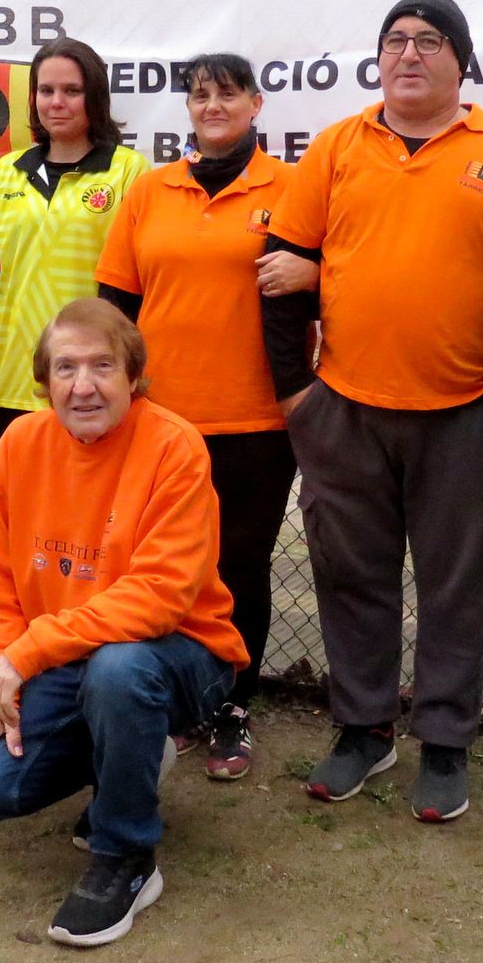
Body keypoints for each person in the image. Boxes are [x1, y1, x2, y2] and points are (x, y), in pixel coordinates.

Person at [260, 0, 483, 822]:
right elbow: (281, 273)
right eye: (395, 41)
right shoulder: (337, 148)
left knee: (458, 583)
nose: (410, 54)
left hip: (468, 411)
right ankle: (363, 728)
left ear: (462, 61)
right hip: (346, 408)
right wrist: (298, 396)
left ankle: (446, 741)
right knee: (351, 577)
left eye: (430, 41)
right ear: (378, 58)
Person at [0, 299, 247, 948]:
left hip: (180, 653)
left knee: (121, 667)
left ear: (133, 376)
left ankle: (126, 856)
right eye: (65, 368)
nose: (82, 385)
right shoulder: (22, 444)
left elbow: (160, 596)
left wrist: (26, 654)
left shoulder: (174, 446)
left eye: (101, 366)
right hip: (68, 655)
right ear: (44, 381)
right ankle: (133, 758)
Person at [96, 53, 303, 780]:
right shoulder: (152, 190)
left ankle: (231, 706)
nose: (212, 105)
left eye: (227, 93)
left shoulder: (292, 187)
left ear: (256, 101)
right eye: (200, 94)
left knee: (239, 567)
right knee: (161, 568)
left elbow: (324, 283)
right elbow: (116, 308)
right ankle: (176, 698)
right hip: (161, 421)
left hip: (255, 420)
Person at [0, 39, 148, 451]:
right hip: (17, 376)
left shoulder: (128, 171)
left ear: (94, 97)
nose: (56, 102)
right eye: (46, 91)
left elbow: (135, 287)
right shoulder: (6, 172)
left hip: (95, 381)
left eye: (71, 91)